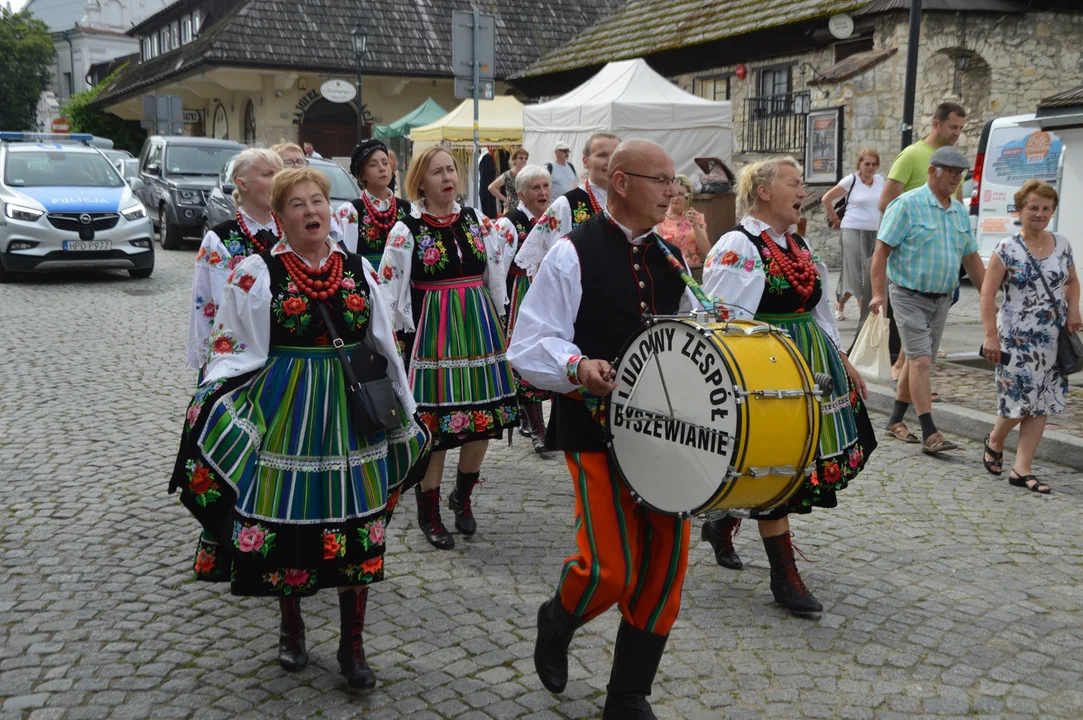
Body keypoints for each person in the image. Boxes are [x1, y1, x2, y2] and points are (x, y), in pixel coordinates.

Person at [168, 167, 428, 691]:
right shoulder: (255, 272)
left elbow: (383, 346)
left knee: (359, 523)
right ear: (280, 216)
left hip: (352, 414)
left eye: (319, 202)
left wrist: (406, 408)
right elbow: (232, 350)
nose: (312, 212)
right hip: (286, 412)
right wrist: (211, 404)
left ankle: (352, 644)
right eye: (297, 205)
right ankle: (291, 627)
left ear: (331, 209)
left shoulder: (357, 269)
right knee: (289, 521)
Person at [508, 139, 696, 718]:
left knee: (665, 565)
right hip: (594, 430)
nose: (672, 190)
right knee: (609, 571)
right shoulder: (572, 252)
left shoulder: (671, 259)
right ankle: (559, 616)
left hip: (663, 434)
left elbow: (690, 337)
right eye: (660, 180)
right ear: (620, 182)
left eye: (673, 180)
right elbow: (528, 344)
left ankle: (628, 694)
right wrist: (576, 366)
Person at [699, 158, 875, 615]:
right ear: (763, 191)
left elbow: (821, 311)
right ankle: (783, 575)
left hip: (810, 360)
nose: (804, 191)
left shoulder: (797, 243)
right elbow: (725, 321)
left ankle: (722, 520)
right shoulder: (738, 244)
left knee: (800, 460)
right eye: (795, 183)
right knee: (777, 460)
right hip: (769, 365)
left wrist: (844, 362)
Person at [378, 147, 518, 550]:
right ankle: (430, 513)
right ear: (420, 181)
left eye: (451, 170)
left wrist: (500, 323)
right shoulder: (407, 230)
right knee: (436, 428)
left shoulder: (476, 221)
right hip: (433, 338)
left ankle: (463, 498)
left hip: (479, 332)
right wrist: (398, 348)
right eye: (437, 171)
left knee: (484, 420)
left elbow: (496, 277)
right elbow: (390, 293)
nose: (447, 177)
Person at [870, 146, 986, 454]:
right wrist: (878, 293)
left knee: (913, 359)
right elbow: (881, 251)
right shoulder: (906, 204)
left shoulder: (959, 211)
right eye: (951, 173)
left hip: (942, 299)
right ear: (932, 171)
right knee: (920, 361)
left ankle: (895, 420)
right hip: (908, 294)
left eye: (960, 175)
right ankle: (930, 432)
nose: (956, 179)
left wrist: (989, 297)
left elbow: (972, 258)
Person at [981, 180, 1080, 493]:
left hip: (1052, 336)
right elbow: (986, 293)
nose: (1039, 214)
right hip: (1016, 338)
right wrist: (990, 336)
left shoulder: (1062, 244)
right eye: (1033, 208)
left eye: (1045, 209)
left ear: (1052, 212)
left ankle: (1021, 469)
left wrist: (1074, 310)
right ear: (1020, 210)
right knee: (1020, 398)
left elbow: (1072, 280)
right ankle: (995, 439)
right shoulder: (1006, 249)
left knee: (1042, 403)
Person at [879, 103, 967, 382]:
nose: (957, 133)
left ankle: (908, 379)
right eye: (953, 127)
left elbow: (956, 207)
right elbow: (886, 203)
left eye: (961, 129)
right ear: (936, 123)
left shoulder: (954, 161)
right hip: (912, 264)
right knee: (919, 340)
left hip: (943, 265)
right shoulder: (912, 156)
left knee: (922, 337)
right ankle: (911, 382)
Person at [186, 148, 284, 374]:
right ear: (243, 184)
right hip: (240, 353)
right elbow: (208, 306)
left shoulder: (291, 230)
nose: (277, 181)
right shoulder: (220, 239)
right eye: (268, 174)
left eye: (280, 174)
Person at [493, 164, 552, 453]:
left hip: (547, 295)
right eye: (535, 188)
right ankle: (540, 430)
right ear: (521, 194)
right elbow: (498, 269)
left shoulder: (553, 219)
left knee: (548, 356)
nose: (542, 192)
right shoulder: (510, 224)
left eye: (545, 186)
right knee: (526, 359)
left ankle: (530, 421)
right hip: (521, 295)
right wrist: (501, 308)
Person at [515, 132, 621, 277]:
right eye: (602, 155)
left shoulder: (633, 201)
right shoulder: (566, 205)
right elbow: (551, 263)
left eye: (615, 155)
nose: (610, 162)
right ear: (585, 161)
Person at [822, 148, 885, 330]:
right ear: (859, 164)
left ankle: (840, 301)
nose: (870, 168)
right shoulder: (851, 180)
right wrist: (835, 219)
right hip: (851, 229)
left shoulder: (880, 181)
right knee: (858, 271)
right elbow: (826, 198)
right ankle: (865, 314)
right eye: (867, 164)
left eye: (874, 164)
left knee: (866, 271)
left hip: (874, 231)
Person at [337, 139, 412, 268]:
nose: (382, 168)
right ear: (363, 175)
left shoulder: (408, 209)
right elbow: (346, 258)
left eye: (385, 163)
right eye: (373, 165)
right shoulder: (351, 212)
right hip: (366, 282)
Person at [273, 142, 343, 246]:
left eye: (300, 161)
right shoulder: (270, 207)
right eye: (289, 162)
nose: (296, 166)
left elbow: (338, 243)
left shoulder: (324, 207)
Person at [655, 174, 709, 264]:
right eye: (673, 193)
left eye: (680, 194)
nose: (676, 197)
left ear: (689, 196)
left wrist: (695, 225)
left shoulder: (697, 217)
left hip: (692, 271)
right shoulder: (660, 218)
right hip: (670, 270)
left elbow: (706, 251)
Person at [488, 146, 529, 216]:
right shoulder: (508, 175)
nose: (524, 160)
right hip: (512, 209)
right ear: (514, 160)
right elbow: (491, 187)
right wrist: (504, 199)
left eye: (525, 158)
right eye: (521, 158)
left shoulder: (528, 174)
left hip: (526, 208)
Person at [478, 146, 498, 218]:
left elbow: (487, 175)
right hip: (483, 185)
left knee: (487, 204)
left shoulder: (487, 157)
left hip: (486, 186)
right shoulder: (484, 156)